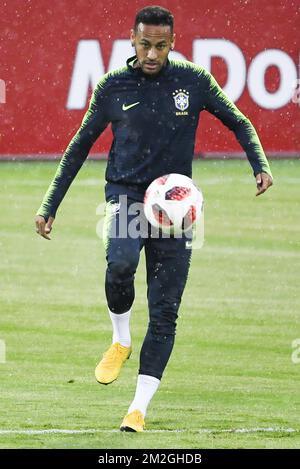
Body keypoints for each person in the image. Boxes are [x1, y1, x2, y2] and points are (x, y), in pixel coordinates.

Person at [35, 5, 273, 432]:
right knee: (120, 264)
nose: (152, 53)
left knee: (165, 312)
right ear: (132, 39)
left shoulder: (194, 82)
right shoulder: (112, 87)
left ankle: (138, 408)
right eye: (145, 44)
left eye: (161, 46)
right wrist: (50, 205)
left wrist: (259, 163)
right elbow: (77, 148)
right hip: (127, 198)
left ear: (172, 44)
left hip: (176, 207)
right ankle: (120, 337)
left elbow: (238, 121)